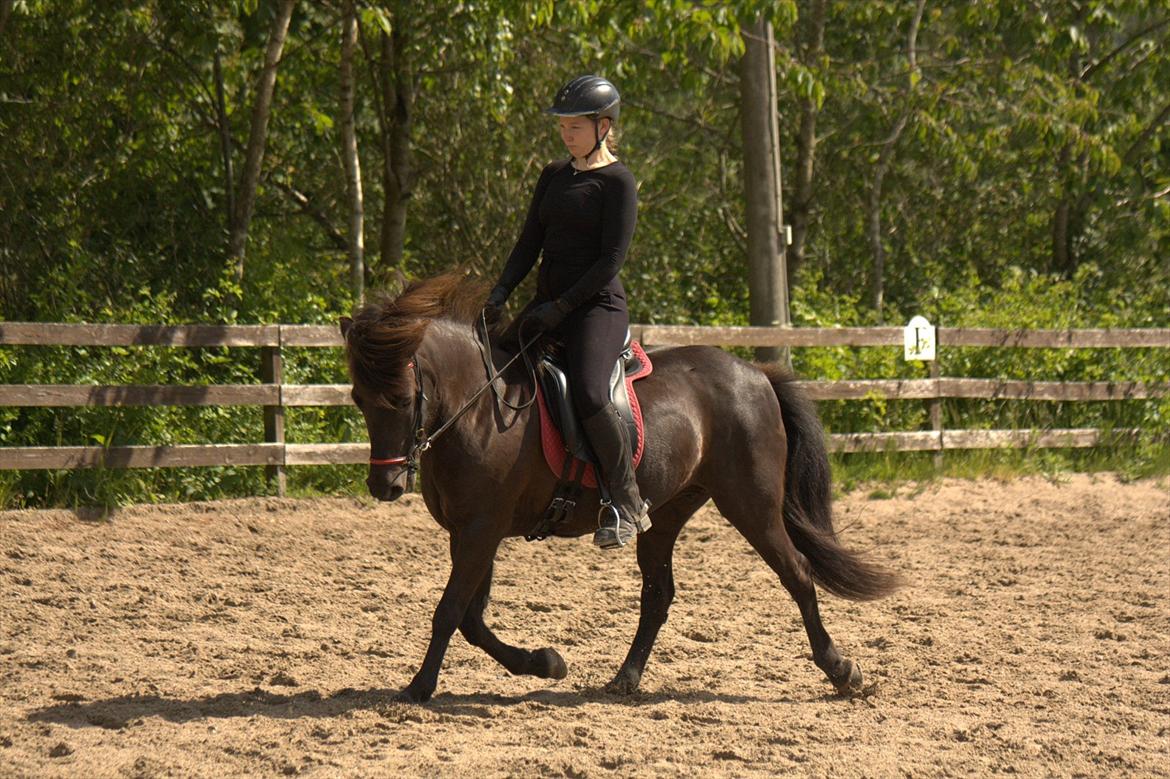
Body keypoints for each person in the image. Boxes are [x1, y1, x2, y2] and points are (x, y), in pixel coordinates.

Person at [484, 74, 651, 550]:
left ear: (603, 126)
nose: (566, 134)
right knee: (496, 368)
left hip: (596, 308)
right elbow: (528, 243)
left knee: (591, 393)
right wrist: (500, 291)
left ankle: (625, 500)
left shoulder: (618, 182)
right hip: (547, 304)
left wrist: (561, 308)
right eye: (562, 127)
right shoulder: (554, 176)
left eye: (574, 126)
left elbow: (610, 262)